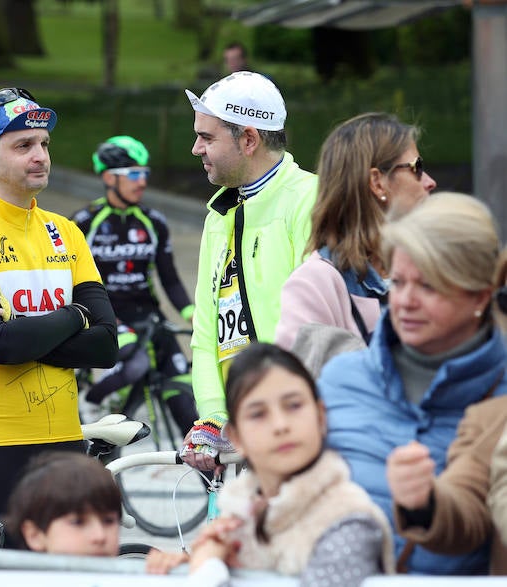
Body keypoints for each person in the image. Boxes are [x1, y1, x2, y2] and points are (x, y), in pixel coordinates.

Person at [0, 87, 118, 518]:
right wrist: (75, 315)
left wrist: (20, 327)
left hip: (65, 439)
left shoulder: (66, 231)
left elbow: (106, 346)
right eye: (23, 145)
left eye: (44, 144)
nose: (40, 156)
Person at [320, 192, 505, 575]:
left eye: (429, 286)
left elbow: (470, 515)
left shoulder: (499, 401)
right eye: (399, 282)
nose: (405, 302)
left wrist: (426, 503)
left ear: (481, 296)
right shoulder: (338, 380)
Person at [147, 343, 394, 585]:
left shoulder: (348, 520)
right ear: (235, 437)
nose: (280, 425)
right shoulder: (235, 521)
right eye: (258, 414)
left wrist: (207, 568)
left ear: (321, 416)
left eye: (294, 405)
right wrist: (183, 570)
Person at [182, 71, 317, 464]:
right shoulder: (218, 215)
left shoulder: (310, 199)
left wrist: (275, 410)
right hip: (242, 429)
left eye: (207, 138)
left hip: (294, 423)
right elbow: (206, 333)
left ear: (249, 139)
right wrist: (212, 414)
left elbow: (317, 328)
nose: (195, 149)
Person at [275, 113, 437, 374]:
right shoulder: (316, 283)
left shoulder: (430, 266)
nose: (430, 181)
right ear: (377, 182)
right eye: (417, 167)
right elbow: (296, 394)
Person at [71, 135, 198, 431]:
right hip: (106, 317)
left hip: (150, 318)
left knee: (184, 403)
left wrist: (191, 314)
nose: (142, 182)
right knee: (137, 364)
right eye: (134, 175)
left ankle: (210, 477)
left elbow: (169, 278)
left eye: (145, 174)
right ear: (108, 177)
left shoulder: (153, 222)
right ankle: (92, 404)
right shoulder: (84, 222)